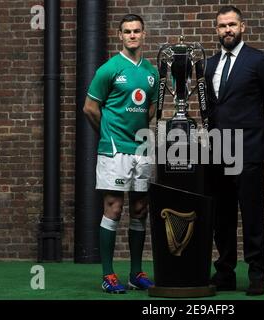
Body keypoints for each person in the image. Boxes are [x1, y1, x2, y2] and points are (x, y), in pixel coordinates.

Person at [205, 6, 264, 295]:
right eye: (222, 26)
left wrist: (262, 140)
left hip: (248, 149)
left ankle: (256, 275)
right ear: (216, 30)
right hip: (217, 151)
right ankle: (224, 273)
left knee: (252, 214)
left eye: (232, 25)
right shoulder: (209, 64)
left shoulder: (259, 60)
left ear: (243, 27)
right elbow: (210, 109)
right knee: (221, 217)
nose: (227, 30)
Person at [83, 14, 158, 294]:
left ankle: (136, 273)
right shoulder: (109, 69)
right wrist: (107, 134)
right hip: (114, 150)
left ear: (143, 34)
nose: (132, 35)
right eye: (127, 31)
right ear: (120, 36)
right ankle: (108, 274)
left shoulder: (153, 72)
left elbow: (151, 109)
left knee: (140, 209)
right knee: (114, 209)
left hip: (141, 148)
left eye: (137, 31)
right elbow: (90, 108)